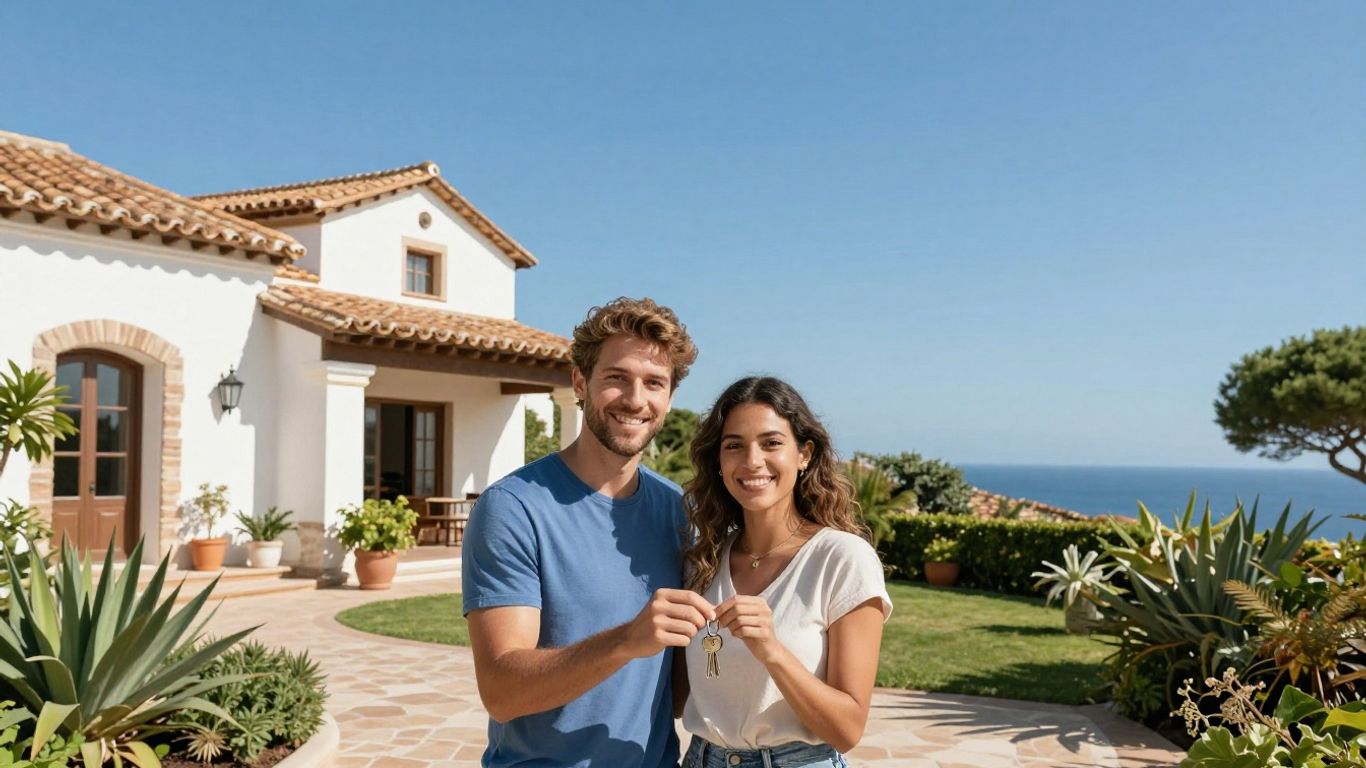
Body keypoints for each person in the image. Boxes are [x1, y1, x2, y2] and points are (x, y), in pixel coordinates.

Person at [461, 297, 713, 768]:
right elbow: (501, 692)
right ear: (581, 382)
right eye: (616, 378)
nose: (636, 400)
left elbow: (677, 690)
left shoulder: (679, 511)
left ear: (669, 398)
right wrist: (624, 641)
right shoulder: (513, 508)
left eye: (654, 383)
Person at [678, 376, 892, 768]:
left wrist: (773, 652)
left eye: (771, 443)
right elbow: (680, 695)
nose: (752, 461)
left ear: (804, 454)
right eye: (734, 446)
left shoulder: (842, 559)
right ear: (719, 462)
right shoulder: (703, 561)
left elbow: (847, 729)